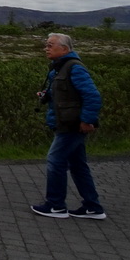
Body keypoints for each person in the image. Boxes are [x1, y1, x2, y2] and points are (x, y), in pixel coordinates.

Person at [30, 33, 107, 219]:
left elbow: (93, 96)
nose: (46, 48)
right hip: (66, 121)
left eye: (50, 45)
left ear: (64, 49)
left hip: (71, 124)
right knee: (78, 165)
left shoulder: (74, 68)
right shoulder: (58, 69)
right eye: (46, 45)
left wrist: (87, 120)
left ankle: (56, 206)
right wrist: (47, 96)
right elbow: (66, 93)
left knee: (55, 161)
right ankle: (92, 207)